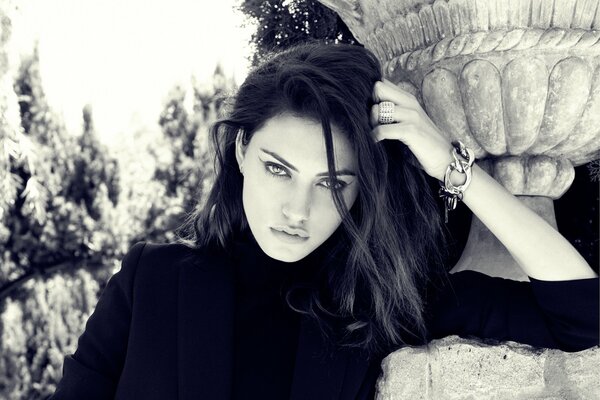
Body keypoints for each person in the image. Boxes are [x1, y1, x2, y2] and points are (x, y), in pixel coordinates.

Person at [50, 42, 599, 400]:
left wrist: (452, 167)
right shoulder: (153, 280)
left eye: (332, 183)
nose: (297, 210)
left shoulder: (384, 302)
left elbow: (584, 316)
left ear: (362, 188)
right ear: (241, 150)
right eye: (277, 168)